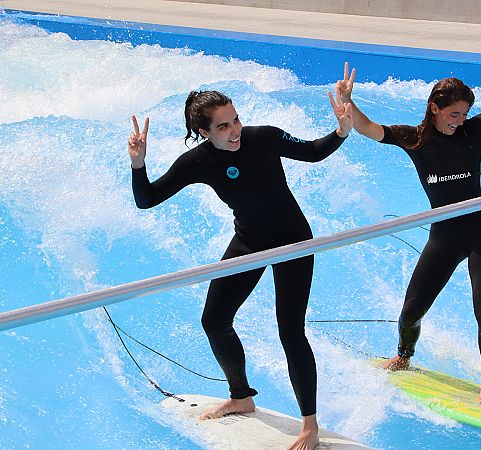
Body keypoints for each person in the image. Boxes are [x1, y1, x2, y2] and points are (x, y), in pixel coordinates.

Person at [337, 37, 481, 404]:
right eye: (454, 115)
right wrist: (349, 102)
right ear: (435, 108)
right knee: (409, 314)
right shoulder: (414, 139)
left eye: (464, 114)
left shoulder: (474, 132)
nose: (459, 121)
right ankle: (403, 356)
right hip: (444, 236)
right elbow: (369, 128)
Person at [127, 89, 352, 450]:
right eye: (223, 127)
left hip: (294, 240)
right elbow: (147, 199)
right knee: (214, 320)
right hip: (249, 241)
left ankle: (310, 426)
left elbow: (311, 152)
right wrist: (139, 164)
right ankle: (241, 397)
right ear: (204, 132)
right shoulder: (197, 162)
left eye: (236, 120)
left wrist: (340, 131)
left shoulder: (263, 137)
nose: (235, 131)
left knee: (290, 331)